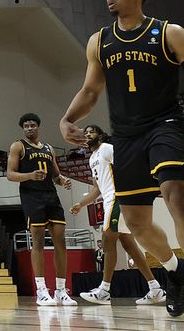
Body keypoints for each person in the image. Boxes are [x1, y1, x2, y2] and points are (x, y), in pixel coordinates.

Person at [59, 0, 184, 323]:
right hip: (125, 135)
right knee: (136, 222)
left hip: (166, 126)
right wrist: (68, 118)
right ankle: (176, 273)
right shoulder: (99, 40)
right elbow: (91, 91)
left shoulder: (168, 32)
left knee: (177, 197)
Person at [69, 124, 165, 305]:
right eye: (86, 133)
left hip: (117, 198)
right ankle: (155, 288)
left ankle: (104, 290)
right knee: (129, 245)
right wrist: (81, 204)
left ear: (100, 135)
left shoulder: (107, 149)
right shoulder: (92, 159)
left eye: (92, 132)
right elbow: (97, 189)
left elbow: (128, 165)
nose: (88, 134)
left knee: (107, 239)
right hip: (107, 200)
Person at [8, 113, 76, 306]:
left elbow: (56, 175)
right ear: (23, 129)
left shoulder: (48, 148)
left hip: (51, 196)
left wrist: (64, 181)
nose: (30, 128)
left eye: (33, 125)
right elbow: (10, 175)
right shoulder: (18, 146)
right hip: (32, 197)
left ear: (38, 127)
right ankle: (41, 290)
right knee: (37, 242)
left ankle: (61, 290)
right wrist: (30, 175)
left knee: (60, 242)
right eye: (26, 126)